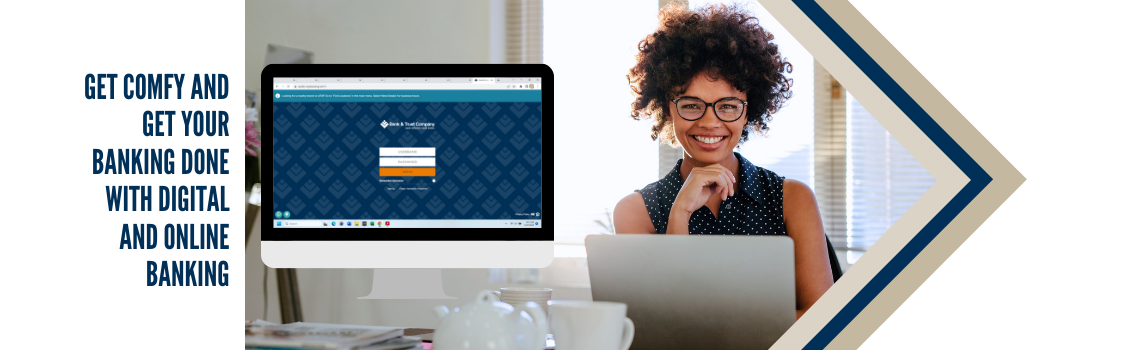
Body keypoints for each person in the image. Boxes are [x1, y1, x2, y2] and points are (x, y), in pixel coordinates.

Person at [612, 3, 833, 320]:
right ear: (667, 107)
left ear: (749, 110)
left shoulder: (793, 200)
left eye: (727, 106)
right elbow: (660, 319)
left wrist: (721, 319)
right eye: (691, 104)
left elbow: (821, 318)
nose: (709, 122)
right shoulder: (635, 211)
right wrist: (680, 215)